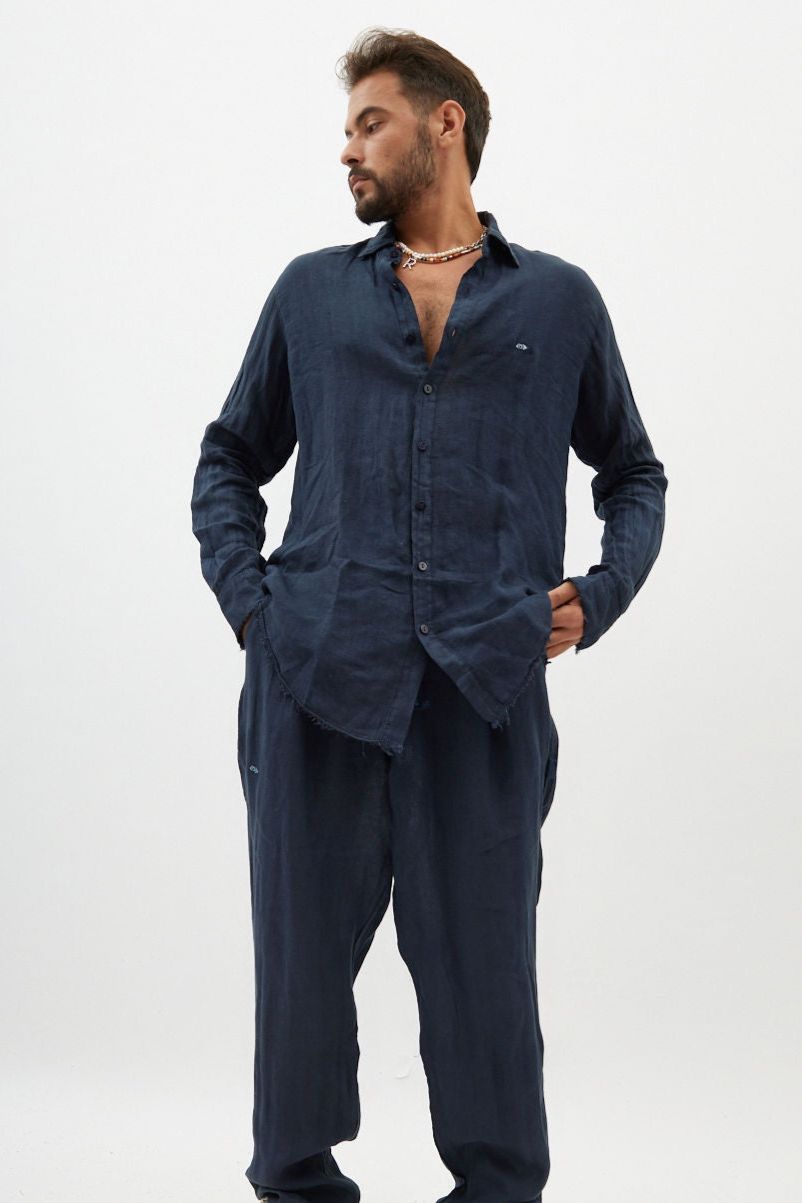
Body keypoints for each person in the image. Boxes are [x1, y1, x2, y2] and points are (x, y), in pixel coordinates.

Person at [190, 27, 668, 1203]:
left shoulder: (558, 301)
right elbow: (228, 458)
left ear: (444, 123)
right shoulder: (310, 295)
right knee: (300, 981)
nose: (346, 148)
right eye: (347, 127)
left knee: (486, 986)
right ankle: (298, 1185)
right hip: (317, 679)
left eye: (370, 122)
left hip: (485, 689)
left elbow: (633, 473)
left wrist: (600, 593)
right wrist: (256, 612)